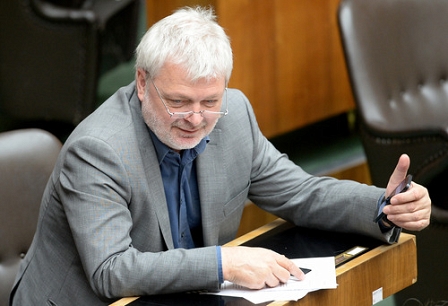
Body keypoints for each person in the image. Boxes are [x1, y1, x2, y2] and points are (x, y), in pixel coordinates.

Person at [10, 6, 431, 305]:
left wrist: (383, 205)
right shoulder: (98, 150)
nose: (196, 119)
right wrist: (223, 263)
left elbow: (300, 192)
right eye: (178, 101)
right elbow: (112, 271)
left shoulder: (234, 116)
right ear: (141, 83)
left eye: (210, 101)